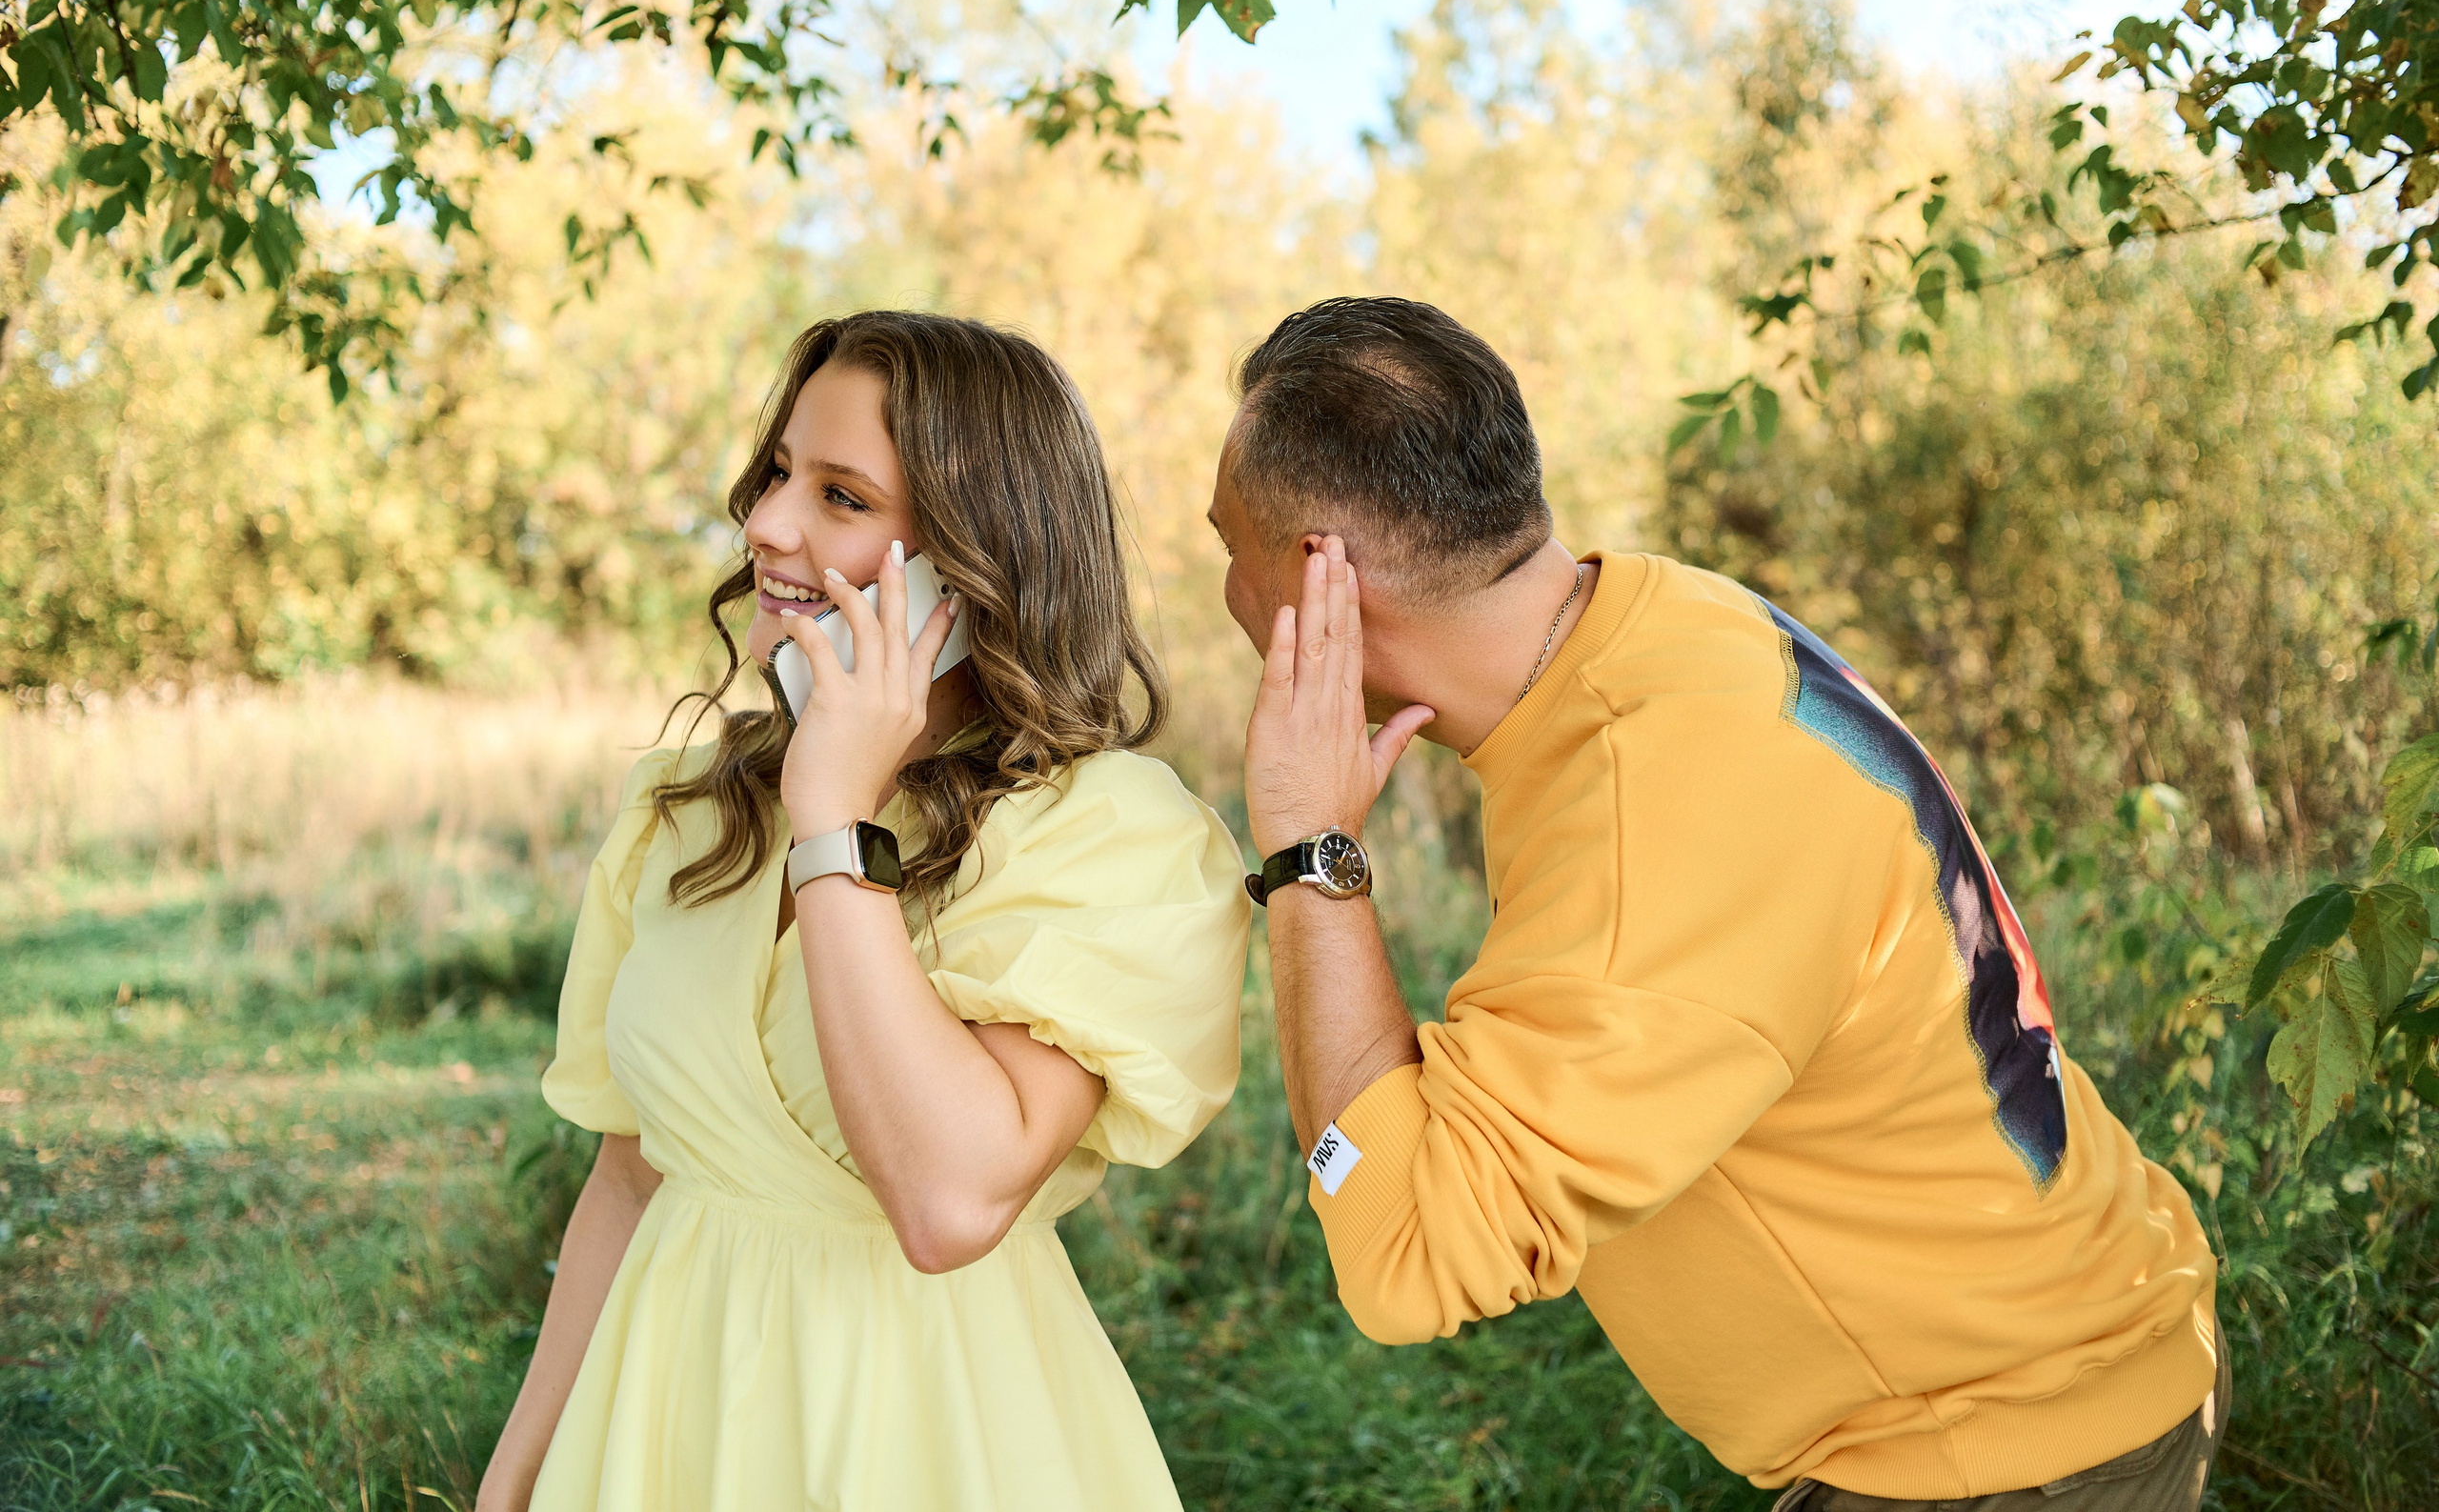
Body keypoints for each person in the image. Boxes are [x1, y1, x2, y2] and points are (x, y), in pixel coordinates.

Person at [1210, 296, 2227, 1511]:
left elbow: (1408, 1252)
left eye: (1229, 542)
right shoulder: (1664, 625)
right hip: (2055, 1367)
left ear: (1324, 572)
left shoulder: (1655, 805)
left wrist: (1308, 851)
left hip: (1997, 1450)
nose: (1221, 581)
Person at [479, 311, 1251, 1512]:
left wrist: (833, 814)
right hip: (663, 1417)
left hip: (929, 1434)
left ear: (973, 554)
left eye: (841, 495)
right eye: (780, 472)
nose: (768, 524)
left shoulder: (1110, 838)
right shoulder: (680, 809)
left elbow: (948, 1201)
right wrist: (517, 1471)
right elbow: (629, 1177)